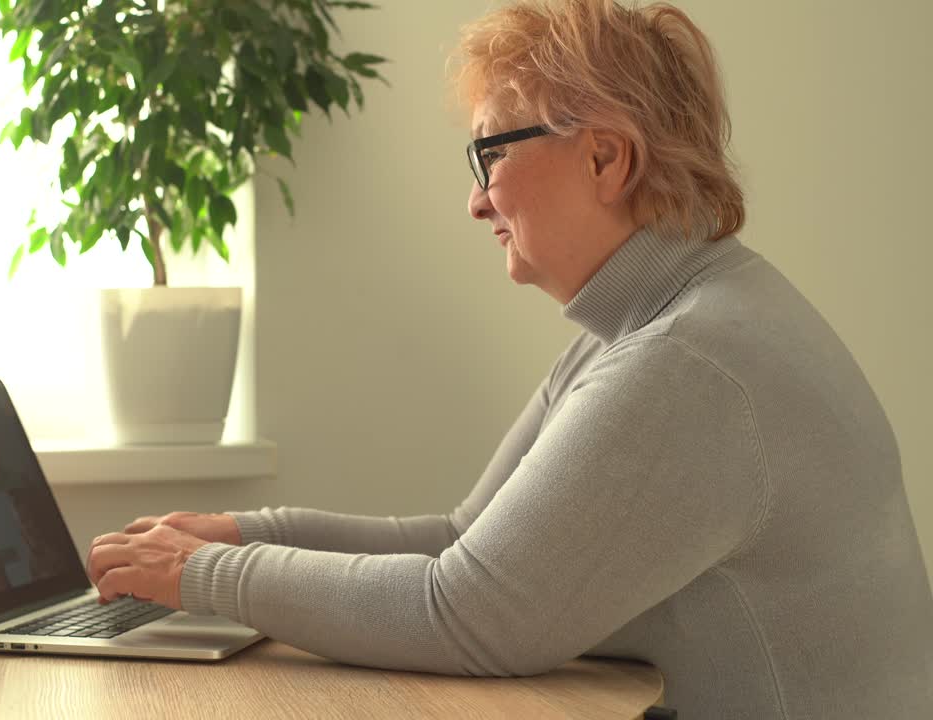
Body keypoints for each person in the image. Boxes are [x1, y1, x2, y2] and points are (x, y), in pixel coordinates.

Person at [84, 1, 933, 717]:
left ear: (606, 157)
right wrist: (243, 533)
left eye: (491, 154)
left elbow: (465, 615)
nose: (475, 199)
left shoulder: (687, 365)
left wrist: (203, 574)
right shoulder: (655, 328)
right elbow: (463, 541)